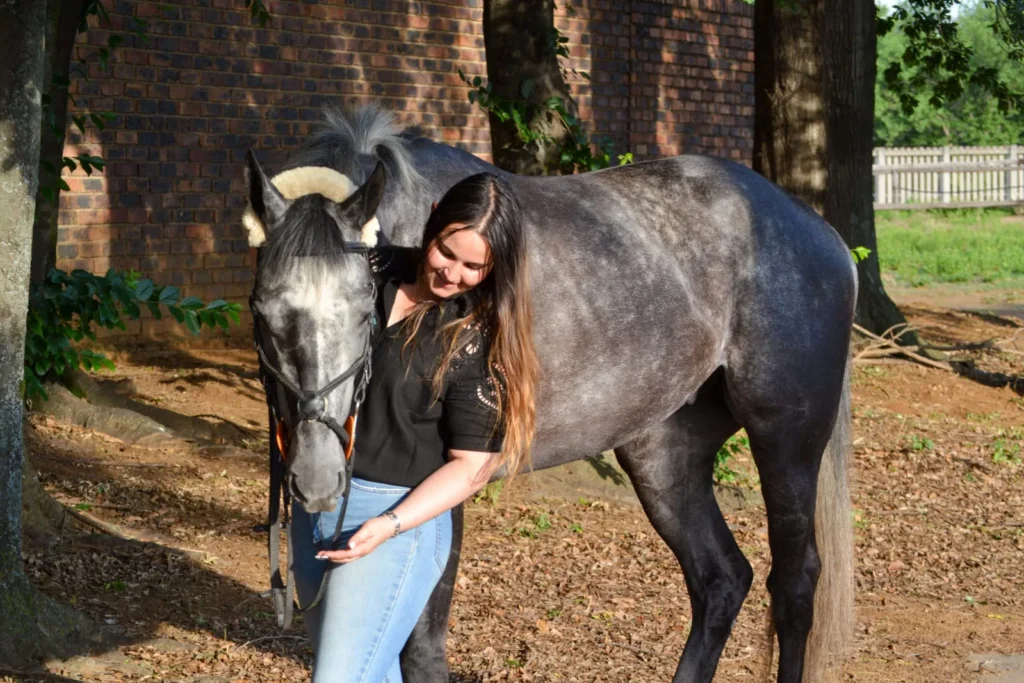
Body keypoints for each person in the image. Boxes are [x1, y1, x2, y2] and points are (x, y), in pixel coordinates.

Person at [290, 172, 538, 683]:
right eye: (447, 252)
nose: (453, 274)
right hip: (315, 502)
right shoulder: (367, 270)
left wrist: (390, 525)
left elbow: (472, 469)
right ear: (432, 220)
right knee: (370, 673)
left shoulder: (478, 338)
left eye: (475, 267)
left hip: (392, 518)